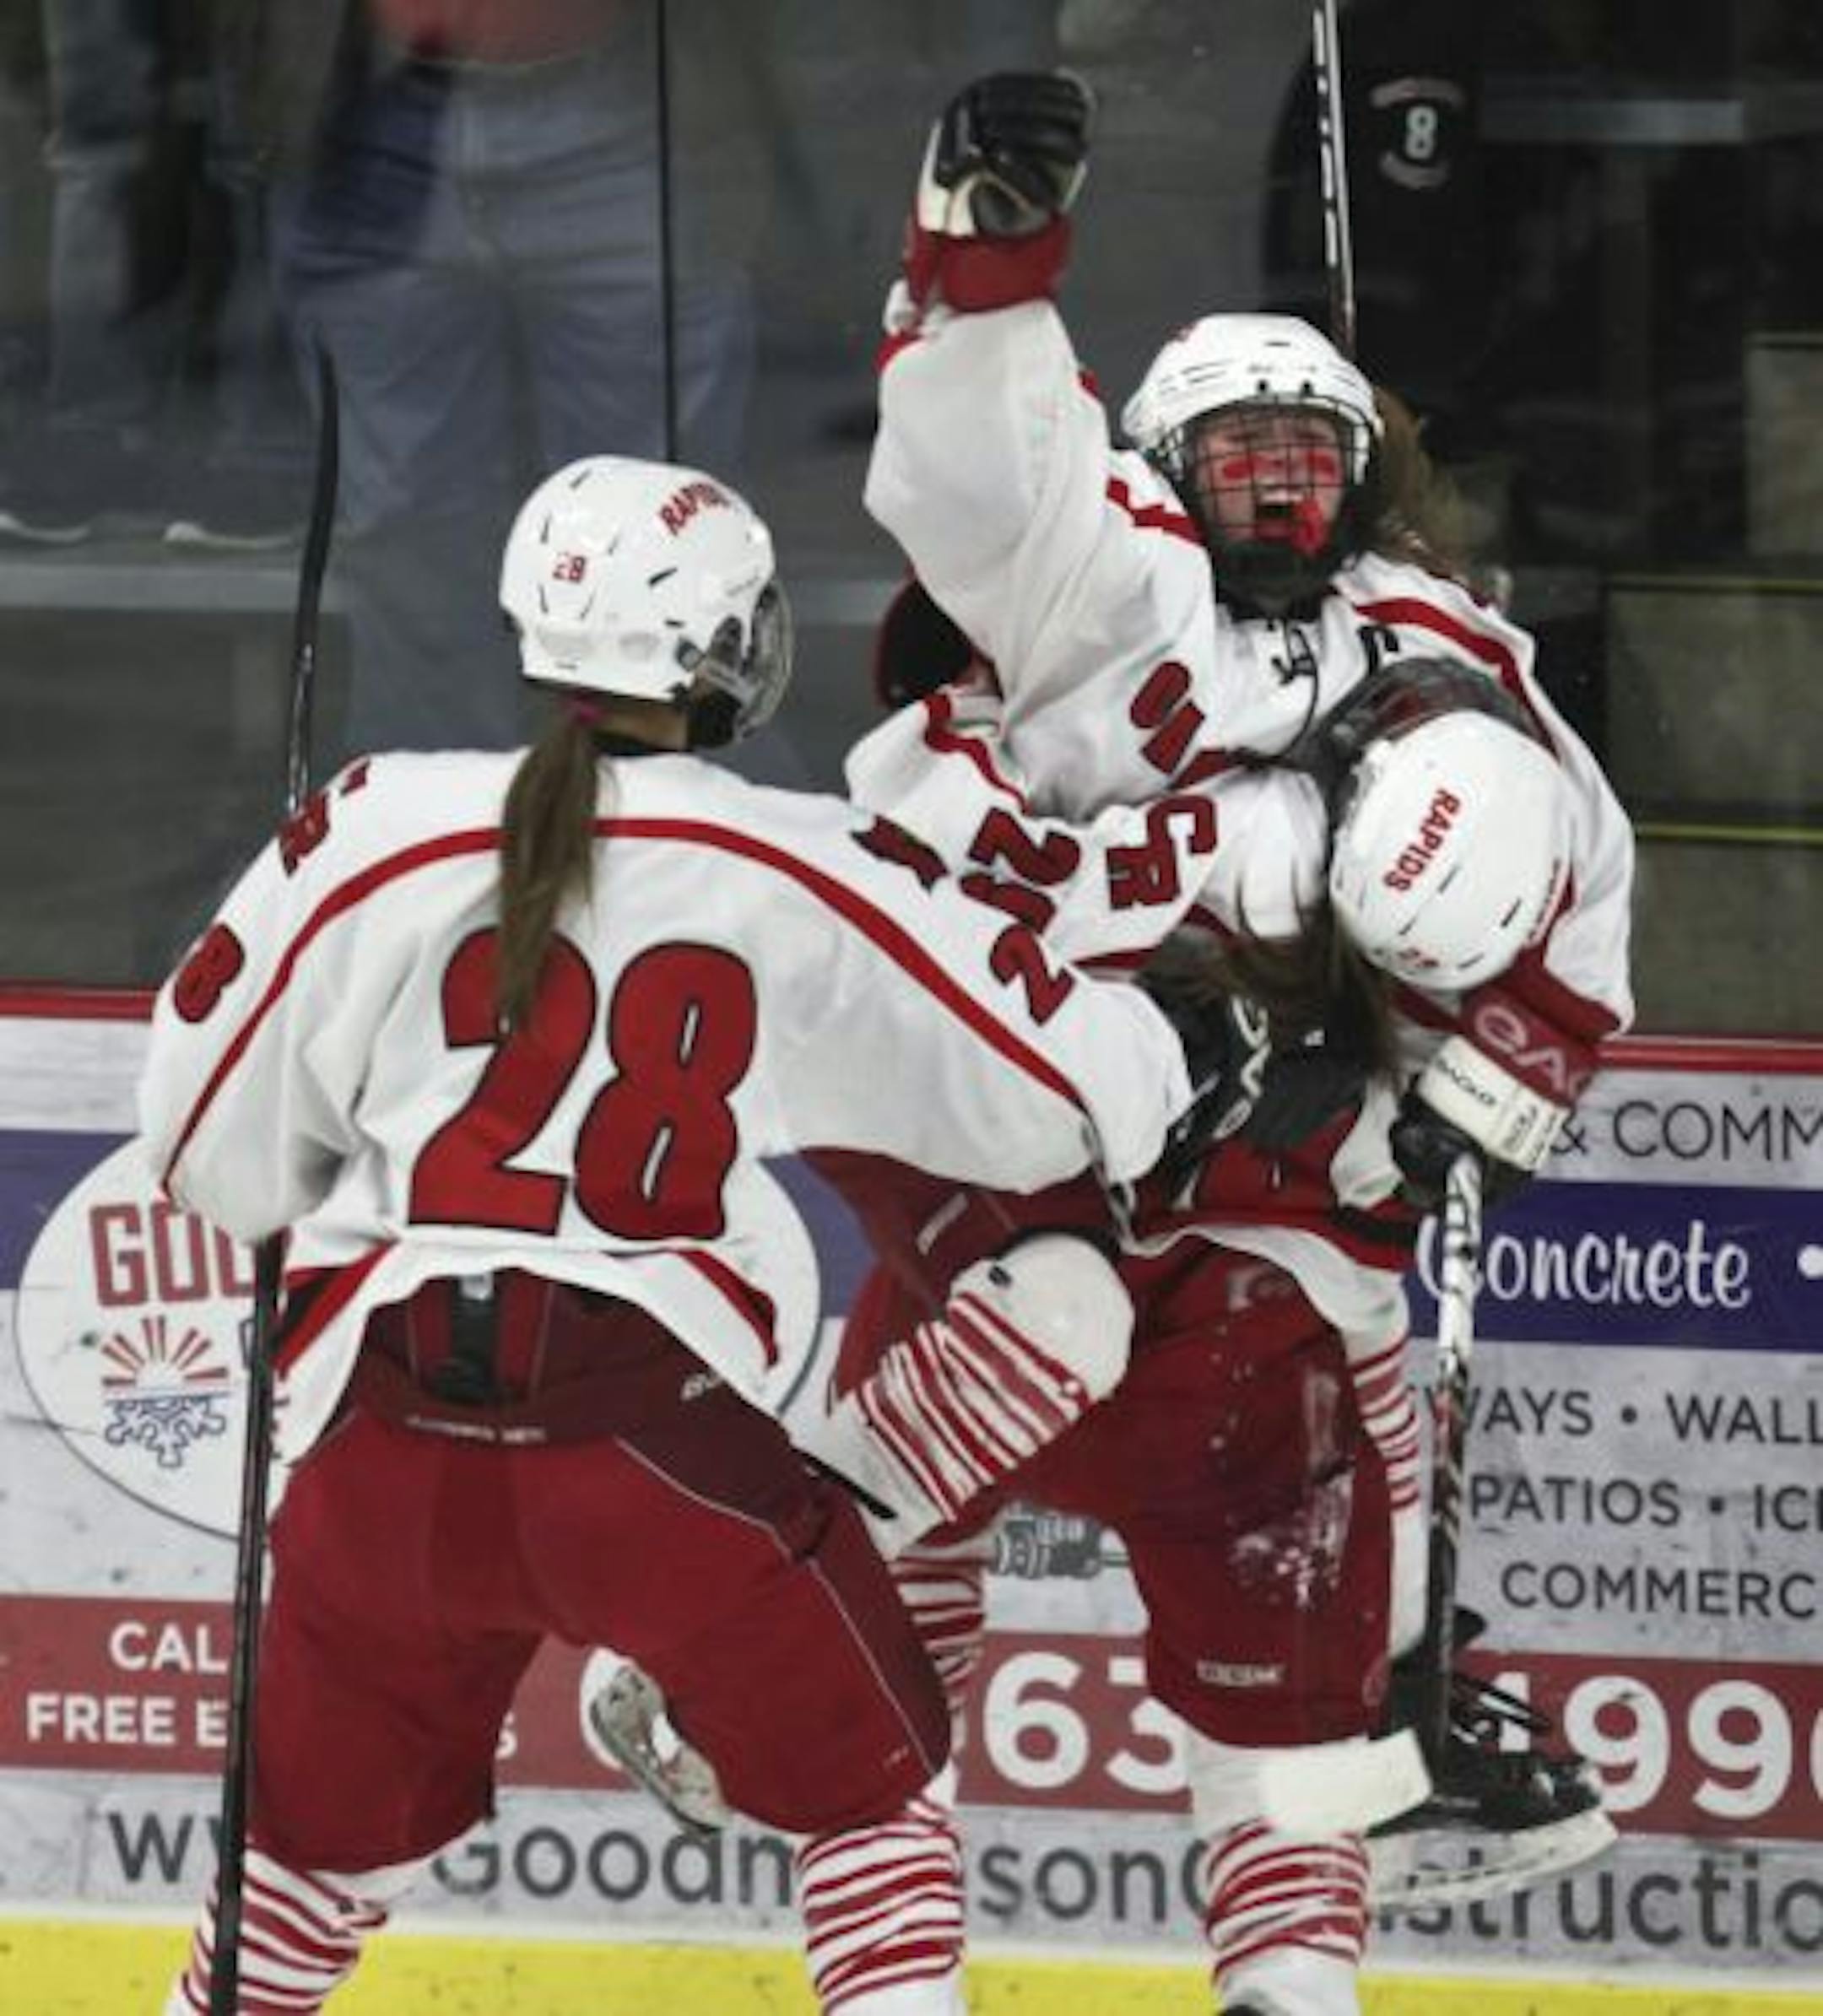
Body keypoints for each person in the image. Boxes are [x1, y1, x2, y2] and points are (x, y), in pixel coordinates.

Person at [603, 69, 1636, 2016]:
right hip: (1028, 1202)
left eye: (1301, 447)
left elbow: (1566, 890)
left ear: (1360, 468)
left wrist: (1474, 1099)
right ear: (1167, 469)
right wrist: (986, 255)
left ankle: (1324, 1883)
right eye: (1230, 448)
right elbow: (991, 469)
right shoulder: (1098, 592)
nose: (1268, 481)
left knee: (1318, 1625)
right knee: (961, 1480)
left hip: (1266, 1254)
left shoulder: (1444, 654)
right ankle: (783, 1648)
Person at [136, 451, 1254, 2014]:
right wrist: (1181, 1058)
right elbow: (1045, 1079)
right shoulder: (793, 855)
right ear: (736, 646)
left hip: (381, 1452)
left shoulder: (373, 823)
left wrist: (321, 1164)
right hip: (648, 1463)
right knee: (871, 1796)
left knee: (300, 1866)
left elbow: (199, 1144)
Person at [227, 0, 771, 761]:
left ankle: (662, 841)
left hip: (628, 95)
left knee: (664, 536)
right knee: (402, 524)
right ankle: (444, 835)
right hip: (367, 105)